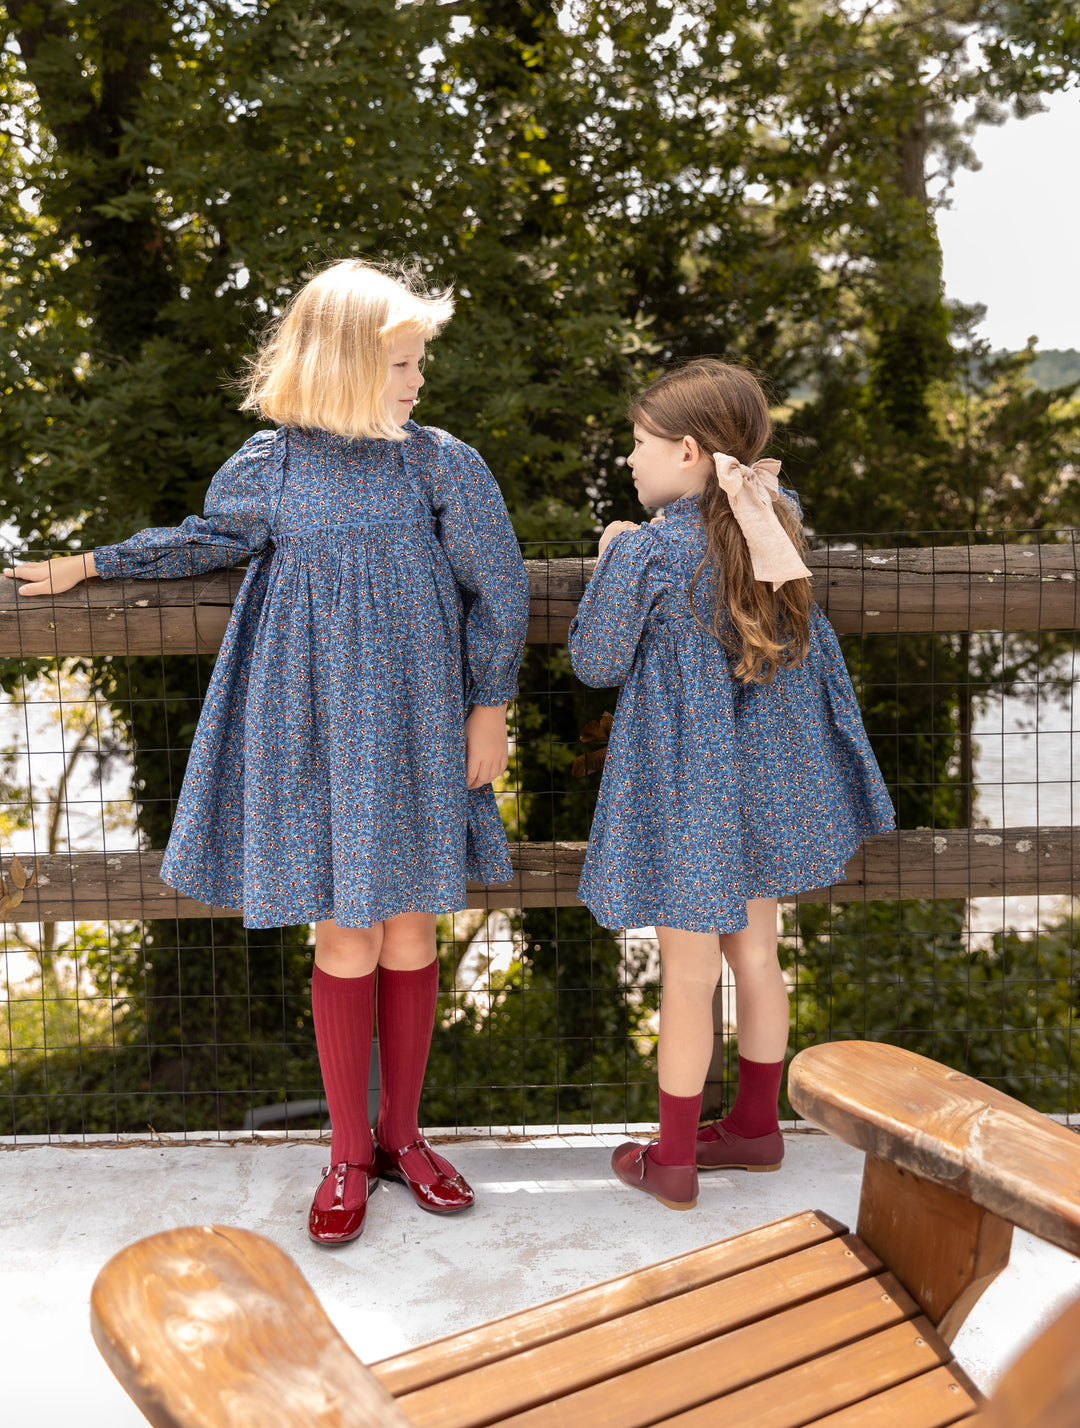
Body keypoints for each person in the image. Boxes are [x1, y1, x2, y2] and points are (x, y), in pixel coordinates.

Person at [7, 258, 530, 1245]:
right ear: (339, 364)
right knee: (346, 938)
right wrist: (92, 562)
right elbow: (204, 539)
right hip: (324, 735)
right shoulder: (272, 467)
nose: (418, 380)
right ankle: (345, 1151)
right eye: (401, 364)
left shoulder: (440, 464)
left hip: (421, 725)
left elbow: (496, 587)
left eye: (419, 362)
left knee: (412, 933)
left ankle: (404, 1137)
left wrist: (491, 706)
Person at [568, 358, 894, 1211]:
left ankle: (672, 1157)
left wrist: (615, 557)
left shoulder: (653, 551)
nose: (629, 462)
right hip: (768, 786)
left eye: (637, 446)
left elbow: (594, 661)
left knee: (685, 973)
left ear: (684, 451)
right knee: (755, 953)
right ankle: (755, 1127)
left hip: (689, 790)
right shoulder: (772, 524)